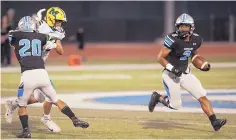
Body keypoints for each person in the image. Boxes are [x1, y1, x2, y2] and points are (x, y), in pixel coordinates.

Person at [5, 7, 88, 133]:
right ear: (50, 19)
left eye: (60, 22)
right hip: (32, 66)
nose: (59, 24)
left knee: (40, 98)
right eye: (58, 21)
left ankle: (14, 104)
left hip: (39, 67)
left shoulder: (50, 32)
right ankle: (46, 118)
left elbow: (60, 51)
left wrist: (55, 38)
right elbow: (26, 32)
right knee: (50, 97)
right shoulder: (40, 29)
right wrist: (51, 37)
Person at [148, 13, 227, 131]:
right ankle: (157, 97)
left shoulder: (196, 39)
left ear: (191, 27)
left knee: (202, 96)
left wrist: (202, 64)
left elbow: (194, 55)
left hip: (185, 73)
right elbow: (160, 57)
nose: (182, 29)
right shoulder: (172, 39)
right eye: (180, 26)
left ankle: (214, 121)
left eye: (185, 26)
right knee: (176, 105)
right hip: (171, 75)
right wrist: (172, 69)